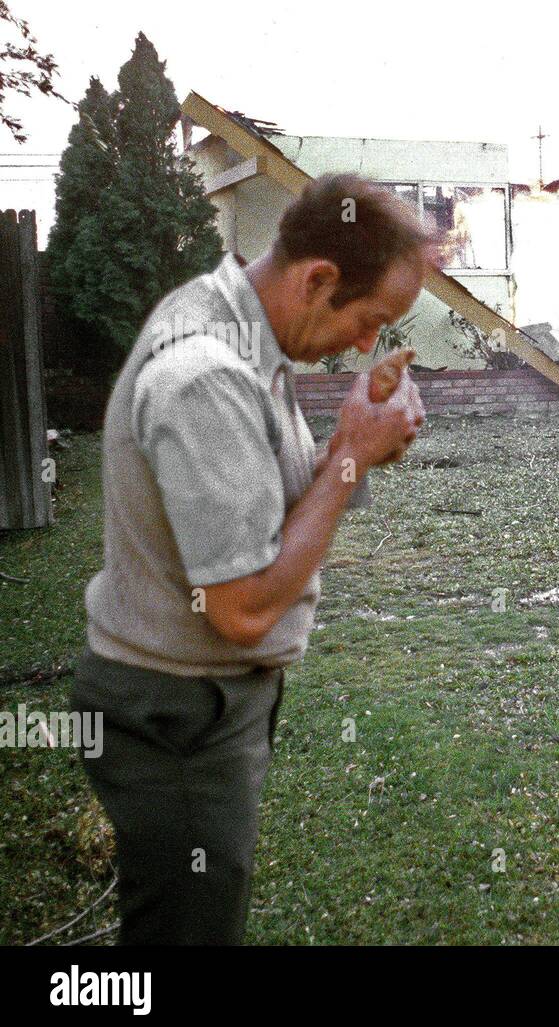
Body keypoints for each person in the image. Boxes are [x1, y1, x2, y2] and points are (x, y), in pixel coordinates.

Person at [71, 173, 428, 944]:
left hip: (195, 706)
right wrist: (350, 462)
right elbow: (240, 607)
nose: (367, 344)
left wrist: (349, 435)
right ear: (319, 278)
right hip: (179, 719)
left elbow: (263, 510)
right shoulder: (208, 373)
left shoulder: (243, 331)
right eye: (370, 320)